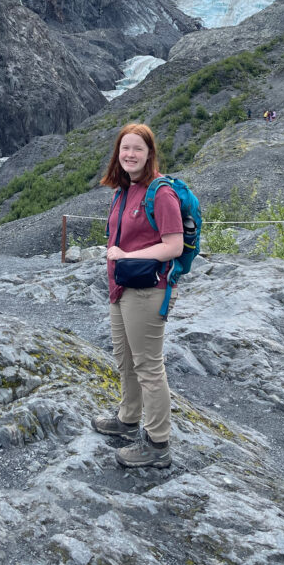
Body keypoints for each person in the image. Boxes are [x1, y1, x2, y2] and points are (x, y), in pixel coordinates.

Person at [91, 122, 183, 469]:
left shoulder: (161, 194)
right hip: (121, 286)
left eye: (137, 149)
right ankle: (128, 420)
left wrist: (127, 258)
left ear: (149, 154)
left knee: (148, 366)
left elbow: (173, 246)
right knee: (125, 360)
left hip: (147, 289)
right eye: (125, 148)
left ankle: (158, 445)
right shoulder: (123, 190)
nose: (130, 154)